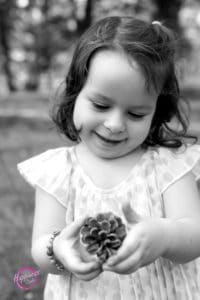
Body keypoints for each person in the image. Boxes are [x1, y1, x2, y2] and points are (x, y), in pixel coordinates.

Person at [17, 16, 200, 300]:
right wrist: (59, 250)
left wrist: (164, 236)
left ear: (155, 113)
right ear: (74, 94)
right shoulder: (58, 170)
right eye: (101, 104)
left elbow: (195, 234)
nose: (115, 124)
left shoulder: (169, 164)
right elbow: (41, 246)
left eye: (136, 114)